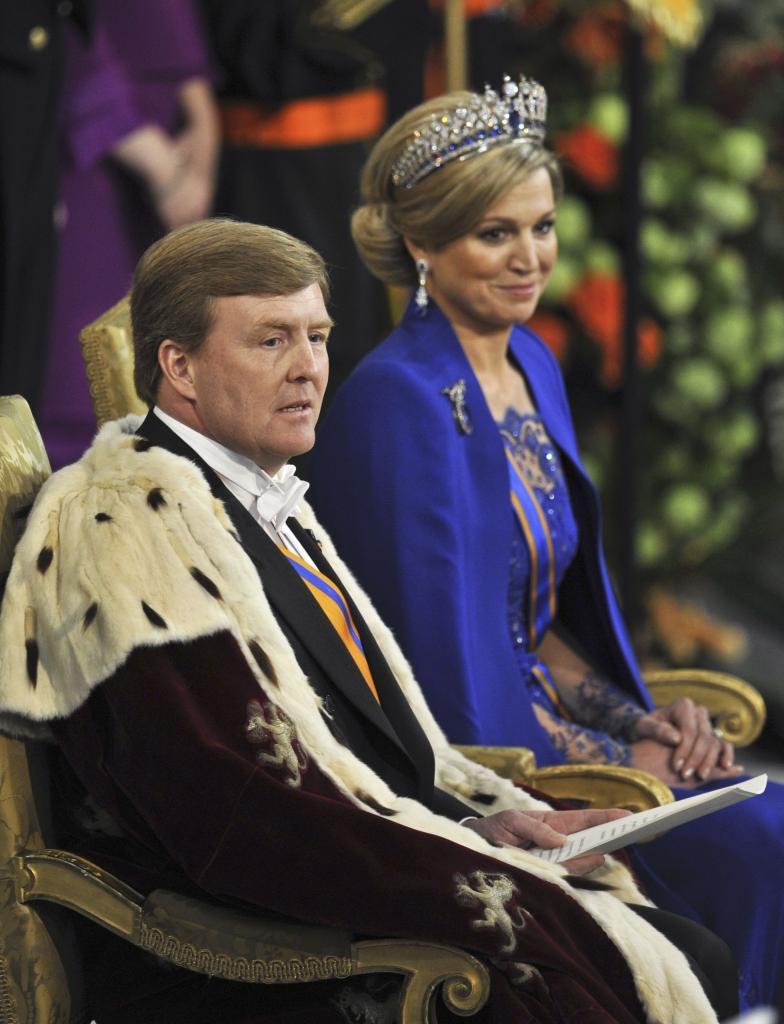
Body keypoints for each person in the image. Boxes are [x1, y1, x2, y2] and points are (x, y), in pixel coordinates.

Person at [0, 219, 736, 1023]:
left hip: (335, 881)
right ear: (179, 366)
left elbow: (358, 760)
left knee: (688, 948)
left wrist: (490, 821)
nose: (310, 369)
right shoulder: (127, 523)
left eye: (317, 336)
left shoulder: (251, 488)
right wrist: (460, 859)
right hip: (235, 957)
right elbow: (235, 811)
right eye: (271, 341)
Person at [306, 79, 784, 1013]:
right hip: (497, 789)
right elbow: (442, 688)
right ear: (423, 246)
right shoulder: (398, 403)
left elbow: (536, 620)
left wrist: (638, 720)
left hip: (567, 734)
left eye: (545, 226)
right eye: (497, 233)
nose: (532, 259)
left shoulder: (531, 359)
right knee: (762, 843)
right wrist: (613, 769)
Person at [38, 0, 218, 469]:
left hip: (167, 141)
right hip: (89, 158)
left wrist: (199, 109)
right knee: (85, 395)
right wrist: (160, 165)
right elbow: (48, 25)